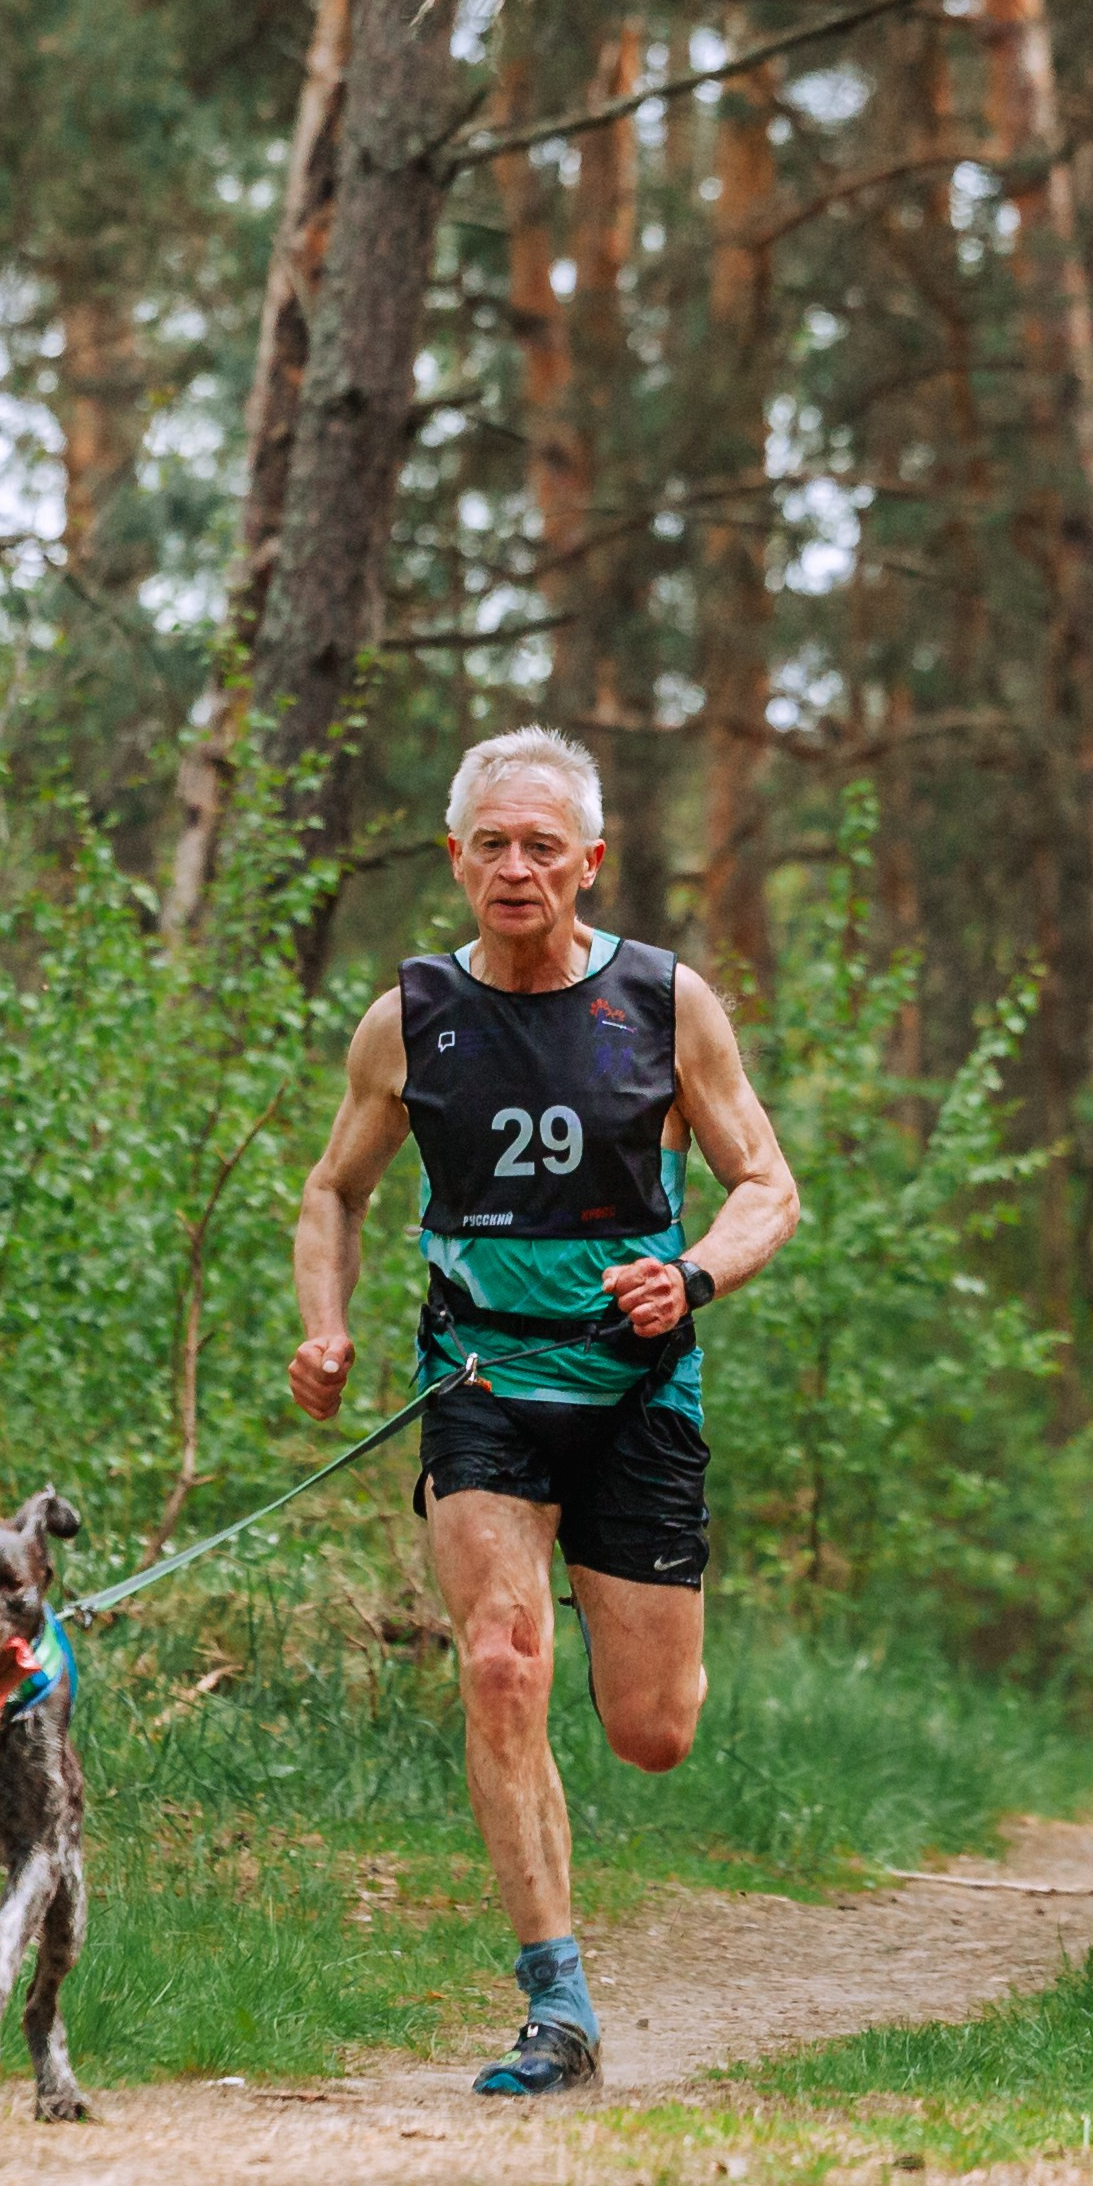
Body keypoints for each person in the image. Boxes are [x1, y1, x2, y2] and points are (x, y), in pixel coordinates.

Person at [289, 728, 799, 2095]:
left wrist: (688, 1278)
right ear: (457, 860)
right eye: (490, 845)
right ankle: (555, 2005)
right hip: (481, 1389)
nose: (516, 868)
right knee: (502, 1664)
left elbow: (770, 1186)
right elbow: (333, 1189)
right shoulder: (410, 1018)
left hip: (635, 1394)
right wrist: (324, 1322)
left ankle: (634, 1621)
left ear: (589, 861)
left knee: (652, 1730)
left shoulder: (666, 1001)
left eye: (541, 845)